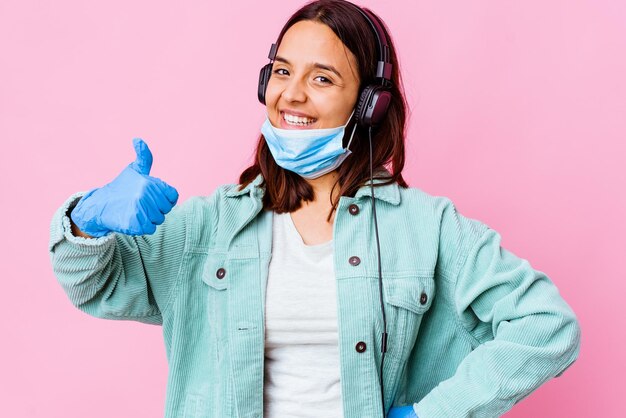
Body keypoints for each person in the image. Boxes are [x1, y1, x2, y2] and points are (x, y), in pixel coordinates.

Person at [49, 1, 581, 417]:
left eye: (322, 78)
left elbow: (547, 326)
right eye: (282, 72)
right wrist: (85, 223)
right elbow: (95, 287)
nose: (292, 95)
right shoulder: (208, 225)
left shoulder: (429, 228)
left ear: (370, 104)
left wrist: (433, 413)